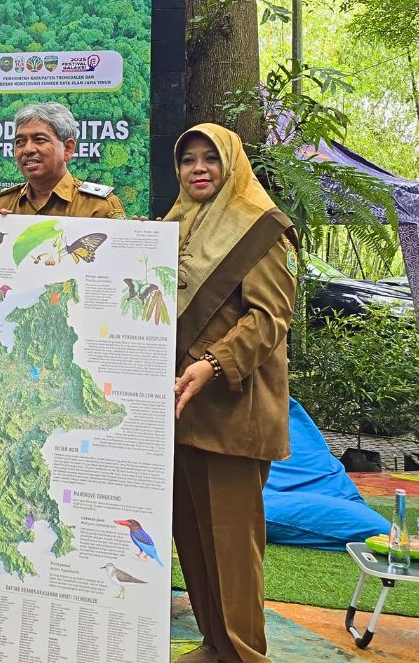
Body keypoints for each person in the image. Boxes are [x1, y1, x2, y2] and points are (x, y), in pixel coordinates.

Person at [169, 123, 297, 663]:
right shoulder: (172, 225)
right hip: (179, 410)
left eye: (210, 159)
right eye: (188, 160)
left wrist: (211, 363)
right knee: (193, 541)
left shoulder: (262, 227)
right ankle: (215, 644)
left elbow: (270, 319)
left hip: (231, 409)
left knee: (232, 550)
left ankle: (245, 654)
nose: (198, 169)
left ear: (232, 165)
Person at [0, 102, 126, 218]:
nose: (28, 149)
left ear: (68, 149)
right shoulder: (3, 204)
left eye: (39, 140)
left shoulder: (99, 205)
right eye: (20, 141)